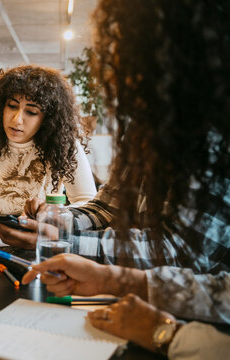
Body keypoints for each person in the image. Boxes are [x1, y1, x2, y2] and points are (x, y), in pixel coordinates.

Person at [20, 0, 230, 357]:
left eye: (127, 56)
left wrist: (64, 247)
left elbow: (183, 251)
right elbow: (107, 204)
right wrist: (56, 222)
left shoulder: (212, 136)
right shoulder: (144, 130)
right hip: (156, 309)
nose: (114, 76)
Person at [0, 65, 97, 221]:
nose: (17, 120)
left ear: (48, 118)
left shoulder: (64, 143)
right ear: (1, 106)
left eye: (31, 112)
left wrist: (53, 215)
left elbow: (88, 205)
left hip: (39, 232)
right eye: (12, 106)